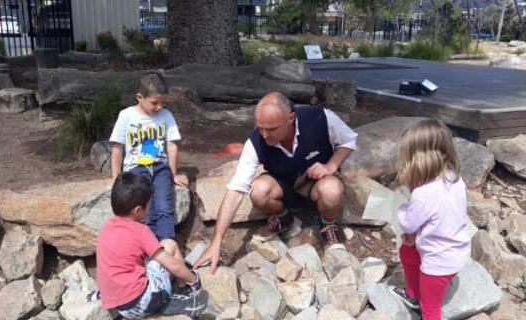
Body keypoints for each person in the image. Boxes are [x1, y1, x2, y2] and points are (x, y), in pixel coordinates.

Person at [195, 92, 358, 273]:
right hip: (284, 185)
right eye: (260, 128)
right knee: (258, 191)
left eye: (272, 129)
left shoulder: (320, 117)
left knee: (332, 190)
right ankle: (283, 217)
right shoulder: (256, 142)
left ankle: (328, 224)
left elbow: (349, 140)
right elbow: (235, 190)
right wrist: (216, 243)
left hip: (316, 183)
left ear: (290, 118)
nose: (265, 135)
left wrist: (330, 166)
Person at [390, 120, 471, 320]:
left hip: (438, 263)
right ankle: (412, 294)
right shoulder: (454, 178)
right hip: (457, 250)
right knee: (407, 247)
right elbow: (441, 215)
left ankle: (418, 299)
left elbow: (407, 223)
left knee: (431, 309)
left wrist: (400, 207)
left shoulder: (423, 194)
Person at [96, 172, 206, 319]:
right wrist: (194, 280)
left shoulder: (105, 229)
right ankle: (181, 289)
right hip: (141, 302)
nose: (149, 208)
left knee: (148, 259)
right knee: (170, 244)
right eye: (148, 204)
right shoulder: (141, 231)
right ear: (137, 210)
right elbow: (173, 265)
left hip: (119, 306)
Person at [110, 73, 188, 241]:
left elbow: (172, 146)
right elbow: (117, 148)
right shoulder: (126, 116)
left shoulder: (166, 116)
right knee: (148, 209)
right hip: (136, 169)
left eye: (163, 103)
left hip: (160, 167)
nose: (159, 107)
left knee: (165, 208)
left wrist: (173, 174)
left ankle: (168, 245)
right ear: (140, 97)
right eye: (154, 103)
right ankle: (150, 249)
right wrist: (117, 178)